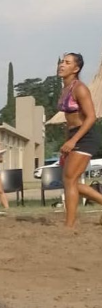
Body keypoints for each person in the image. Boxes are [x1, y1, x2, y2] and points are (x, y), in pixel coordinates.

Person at [56, 53, 102, 228]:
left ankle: (69, 225)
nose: (62, 65)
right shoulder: (65, 88)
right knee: (70, 181)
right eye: (62, 61)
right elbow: (69, 120)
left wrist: (73, 140)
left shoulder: (80, 88)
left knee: (69, 180)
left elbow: (91, 117)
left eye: (67, 63)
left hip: (85, 136)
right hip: (73, 135)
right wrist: (66, 140)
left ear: (76, 69)